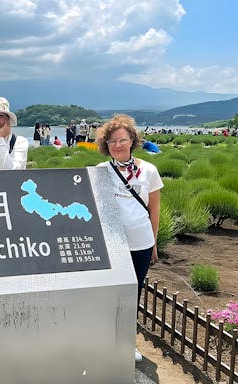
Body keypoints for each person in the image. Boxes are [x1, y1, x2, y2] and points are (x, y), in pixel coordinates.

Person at [95, 114, 163, 364]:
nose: (118, 145)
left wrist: (154, 243)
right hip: (111, 244)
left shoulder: (149, 170)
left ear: (132, 140)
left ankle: (126, 344)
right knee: (110, 293)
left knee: (132, 294)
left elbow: (154, 210)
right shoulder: (101, 172)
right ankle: (104, 340)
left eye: (122, 139)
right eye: (112, 141)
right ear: (105, 145)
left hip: (140, 242)